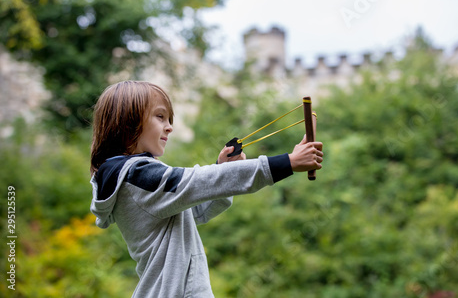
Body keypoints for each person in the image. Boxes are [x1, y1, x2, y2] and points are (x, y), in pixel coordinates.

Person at [90, 80, 323, 297]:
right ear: (128, 122)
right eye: (160, 117)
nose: (169, 127)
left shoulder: (140, 180)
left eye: (169, 119)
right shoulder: (137, 176)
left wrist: (222, 169)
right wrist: (288, 162)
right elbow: (198, 181)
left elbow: (198, 211)